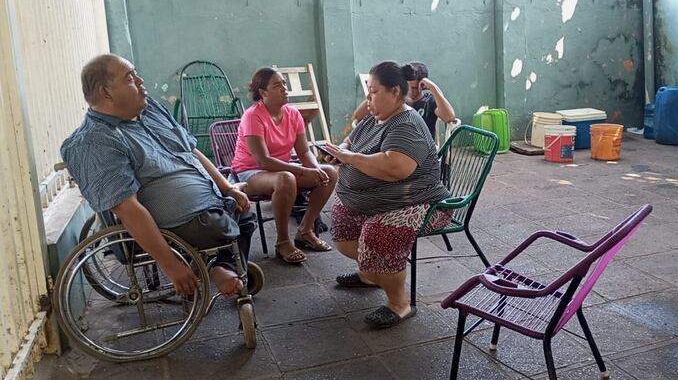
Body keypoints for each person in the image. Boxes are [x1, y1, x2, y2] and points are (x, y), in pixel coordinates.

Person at [62, 54, 255, 298]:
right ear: (106, 92)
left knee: (243, 205)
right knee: (230, 223)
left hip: (213, 203)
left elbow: (190, 149)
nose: (141, 81)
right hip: (191, 220)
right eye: (130, 78)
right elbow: (127, 209)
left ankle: (221, 265)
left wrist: (227, 188)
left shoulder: (148, 108)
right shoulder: (94, 143)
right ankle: (220, 265)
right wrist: (171, 267)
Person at [323, 60, 452, 328]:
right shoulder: (376, 117)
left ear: (394, 91)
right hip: (371, 198)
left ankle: (399, 304)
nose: (368, 97)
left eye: (373, 91)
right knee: (345, 224)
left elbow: (396, 167)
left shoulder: (407, 123)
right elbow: (351, 140)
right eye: (368, 91)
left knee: (379, 233)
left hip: (421, 202)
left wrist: (351, 158)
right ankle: (370, 273)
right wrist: (339, 151)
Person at [230, 67, 337, 264]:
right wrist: (302, 170)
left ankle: (305, 231)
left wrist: (316, 168)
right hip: (249, 173)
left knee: (329, 173)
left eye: (284, 84)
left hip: (281, 170)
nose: (284, 89)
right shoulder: (253, 116)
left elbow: (304, 152)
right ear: (263, 93)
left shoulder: (293, 114)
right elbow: (263, 160)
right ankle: (283, 242)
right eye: (277, 86)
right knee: (286, 178)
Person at [352, 61, 456, 140]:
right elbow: (357, 116)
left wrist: (433, 88)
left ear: (423, 86)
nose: (410, 91)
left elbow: (449, 117)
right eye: (407, 86)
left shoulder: (429, 101)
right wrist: (376, 95)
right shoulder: (395, 99)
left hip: (419, 146)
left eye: (414, 87)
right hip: (393, 141)